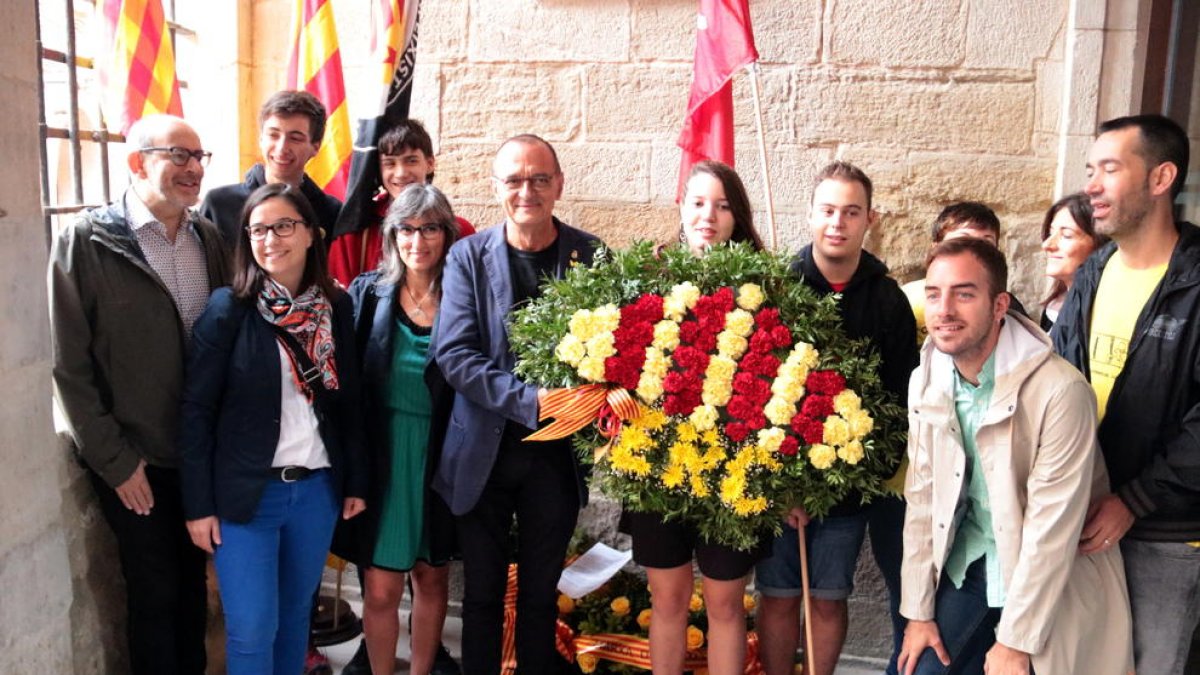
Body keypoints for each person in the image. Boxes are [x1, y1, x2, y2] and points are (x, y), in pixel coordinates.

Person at [897, 237, 1133, 675]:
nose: (944, 310)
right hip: (969, 564)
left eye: (964, 293)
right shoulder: (925, 380)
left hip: (1046, 579)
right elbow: (923, 501)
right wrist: (917, 612)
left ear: (999, 304)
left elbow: (1051, 529)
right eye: (934, 294)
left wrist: (1014, 642)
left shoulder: (1060, 391)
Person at [48, 114, 225, 675]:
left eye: (199, 158)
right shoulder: (85, 242)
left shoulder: (209, 239)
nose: (194, 169)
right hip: (136, 462)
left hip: (199, 455)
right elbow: (68, 365)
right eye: (179, 156)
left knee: (193, 592)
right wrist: (116, 462)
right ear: (136, 162)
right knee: (154, 595)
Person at [179, 183, 367, 675]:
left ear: (310, 235)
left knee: (292, 622)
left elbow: (350, 402)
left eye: (284, 225)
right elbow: (196, 411)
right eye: (258, 229)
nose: (270, 239)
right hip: (246, 498)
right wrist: (198, 506)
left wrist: (356, 481)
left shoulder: (335, 308)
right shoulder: (228, 310)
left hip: (316, 492)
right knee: (252, 631)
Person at [431, 134, 602, 673]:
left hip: (554, 459)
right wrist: (532, 401)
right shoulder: (467, 257)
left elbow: (618, 350)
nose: (526, 190)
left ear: (558, 185)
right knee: (480, 596)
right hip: (483, 454)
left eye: (539, 178)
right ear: (496, 187)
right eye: (514, 179)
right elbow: (453, 354)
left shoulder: (591, 256)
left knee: (539, 597)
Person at [754, 161, 918, 675]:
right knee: (779, 595)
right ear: (810, 215)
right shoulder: (779, 289)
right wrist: (786, 484)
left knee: (827, 596)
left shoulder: (887, 299)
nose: (837, 223)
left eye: (851, 212)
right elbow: (753, 390)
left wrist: (849, 476)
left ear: (869, 218)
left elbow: (898, 399)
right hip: (777, 481)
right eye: (827, 210)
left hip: (848, 483)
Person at [1052, 113, 1200, 674]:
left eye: (1109, 168)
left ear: (1160, 179)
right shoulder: (1093, 273)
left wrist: (1135, 499)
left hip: (1164, 531)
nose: (1090, 185)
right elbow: (1058, 388)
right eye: (1091, 169)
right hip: (1083, 522)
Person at [625, 160, 765, 675]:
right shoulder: (650, 277)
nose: (709, 215)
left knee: (727, 603)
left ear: (738, 216)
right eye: (699, 202)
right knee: (667, 600)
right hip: (659, 464)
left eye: (723, 205)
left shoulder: (761, 285)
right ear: (682, 209)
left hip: (734, 470)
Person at [341, 183, 461, 675]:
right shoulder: (368, 293)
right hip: (384, 455)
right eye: (407, 229)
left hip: (441, 456)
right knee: (382, 587)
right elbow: (346, 389)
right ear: (392, 235)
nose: (418, 241)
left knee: (432, 580)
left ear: (446, 234)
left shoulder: (466, 296)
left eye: (430, 228)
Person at [328, 118, 475, 287]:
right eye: (389, 163)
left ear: (430, 164)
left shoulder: (460, 231)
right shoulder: (355, 233)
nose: (401, 173)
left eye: (411, 161)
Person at [201, 90, 343, 250]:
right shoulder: (219, 205)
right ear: (261, 139)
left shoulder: (331, 213)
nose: (282, 148)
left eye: (295, 138)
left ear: (315, 147)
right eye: (273, 135)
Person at [900, 202, 1026, 345]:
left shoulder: (1010, 311)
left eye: (986, 246)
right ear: (936, 248)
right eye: (960, 243)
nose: (944, 311)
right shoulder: (906, 299)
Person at [1037, 192, 1106, 331]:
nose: (1047, 245)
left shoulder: (1103, 316)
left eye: (1067, 235)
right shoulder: (1053, 308)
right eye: (1050, 233)